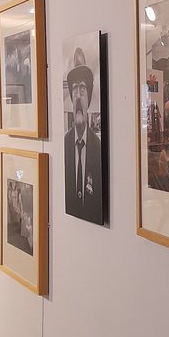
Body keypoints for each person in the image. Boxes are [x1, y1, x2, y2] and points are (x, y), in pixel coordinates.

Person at [64, 47, 104, 223]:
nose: (78, 96)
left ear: (89, 97)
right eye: (74, 89)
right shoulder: (64, 144)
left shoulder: (98, 147)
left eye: (82, 89)